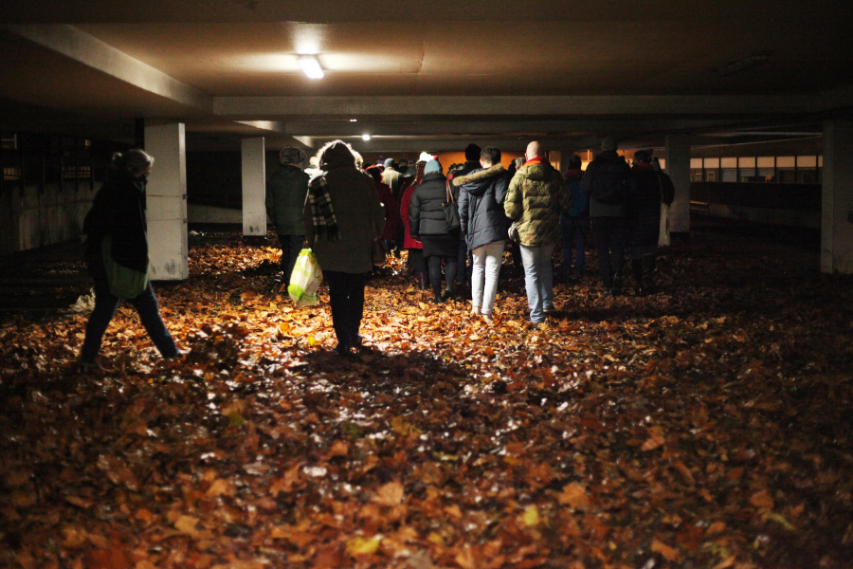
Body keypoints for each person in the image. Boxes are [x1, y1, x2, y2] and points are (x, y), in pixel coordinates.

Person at [79, 149, 181, 371]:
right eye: (146, 172)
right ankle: (171, 353)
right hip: (122, 262)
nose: (147, 177)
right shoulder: (127, 191)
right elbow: (126, 231)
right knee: (146, 308)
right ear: (134, 170)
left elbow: (95, 223)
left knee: (105, 310)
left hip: (110, 261)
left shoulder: (113, 188)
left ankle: (88, 358)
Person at [304, 140, 385, 356]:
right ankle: (352, 332)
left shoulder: (319, 182)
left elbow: (309, 217)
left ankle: (341, 339)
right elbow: (377, 213)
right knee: (356, 291)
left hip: (330, 246)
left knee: (337, 293)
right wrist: (375, 234)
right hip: (359, 245)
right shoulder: (364, 180)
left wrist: (313, 244)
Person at [505, 141, 570, 324]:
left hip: (527, 234)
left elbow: (510, 210)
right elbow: (567, 202)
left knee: (532, 272)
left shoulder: (519, 177)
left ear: (526, 156)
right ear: (545, 156)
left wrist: (522, 216)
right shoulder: (555, 176)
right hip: (550, 231)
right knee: (546, 266)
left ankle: (537, 315)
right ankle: (548, 303)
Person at [454, 146, 511, 322]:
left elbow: (462, 208)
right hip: (495, 228)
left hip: (475, 230)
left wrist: (466, 230)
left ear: (481, 161)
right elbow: (502, 199)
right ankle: (487, 311)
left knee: (477, 268)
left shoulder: (468, 181)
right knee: (492, 271)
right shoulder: (501, 176)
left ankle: (475, 307)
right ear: (498, 161)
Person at [580, 138, 634, 296]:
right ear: (616, 148)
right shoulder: (623, 166)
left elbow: (584, 187)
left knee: (602, 250)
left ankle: (607, 285)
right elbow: (633, 187)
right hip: (618, 212)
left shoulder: (594, 166)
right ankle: (618, 277)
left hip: (598, 213)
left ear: (602, 148)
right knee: (618, 247)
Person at [409, 159, 459, 303]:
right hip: (448, 229)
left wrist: (415, 233)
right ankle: (449, 286)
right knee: (451, 259)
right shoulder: (449, 185)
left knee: (433, 263)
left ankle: (437, 296)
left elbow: (413, 214)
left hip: (428, 231)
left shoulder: (419, 189)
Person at [628, 151, 675, 295]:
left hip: (634, 219)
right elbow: (669, 194)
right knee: (650, 250)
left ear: (635, 161)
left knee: (636, 252)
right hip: (654, 218)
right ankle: (648, 277)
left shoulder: (631, 176)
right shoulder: (659, 178)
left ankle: (638, 283)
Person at [266, 146, 309, 278]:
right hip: (299, 223)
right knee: (295, 253)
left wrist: (275, 219)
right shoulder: (304, 178)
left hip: (281, 222)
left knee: (286, 250)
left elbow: (269, 202)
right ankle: (290, 282)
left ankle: (286, 276)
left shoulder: (274, 178)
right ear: (298, 160)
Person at [447, 143, 482, 296]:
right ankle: (474, 280)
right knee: (477, 252)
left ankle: (461, 279)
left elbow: (453, 196)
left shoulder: (458, 175)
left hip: (461, 217)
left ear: (466, 156)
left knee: (460, 250)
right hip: (479, 218)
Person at [560, 154, 589, 280]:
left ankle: (566, 269)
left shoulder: (563, 181)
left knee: (566, 244)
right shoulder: (585, 180)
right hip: (582, 217)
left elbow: (559, 199)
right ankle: (579, 270)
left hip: (566, 217)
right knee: (580, 244)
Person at [400, 160, 427, 289]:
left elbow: (404, 211)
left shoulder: (411, 190)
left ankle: (423, 284)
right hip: (430, 229)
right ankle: (428, 282)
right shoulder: (437, 188)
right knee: (430, 258)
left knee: (419, 257)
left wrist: (409, 225)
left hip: (415, 229)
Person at [365, 165, 400, 259]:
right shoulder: (383, 188)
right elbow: (391, 205)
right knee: (383, 244)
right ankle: (382, 260)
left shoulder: (363, 188)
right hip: (383, 220)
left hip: (367, 221)